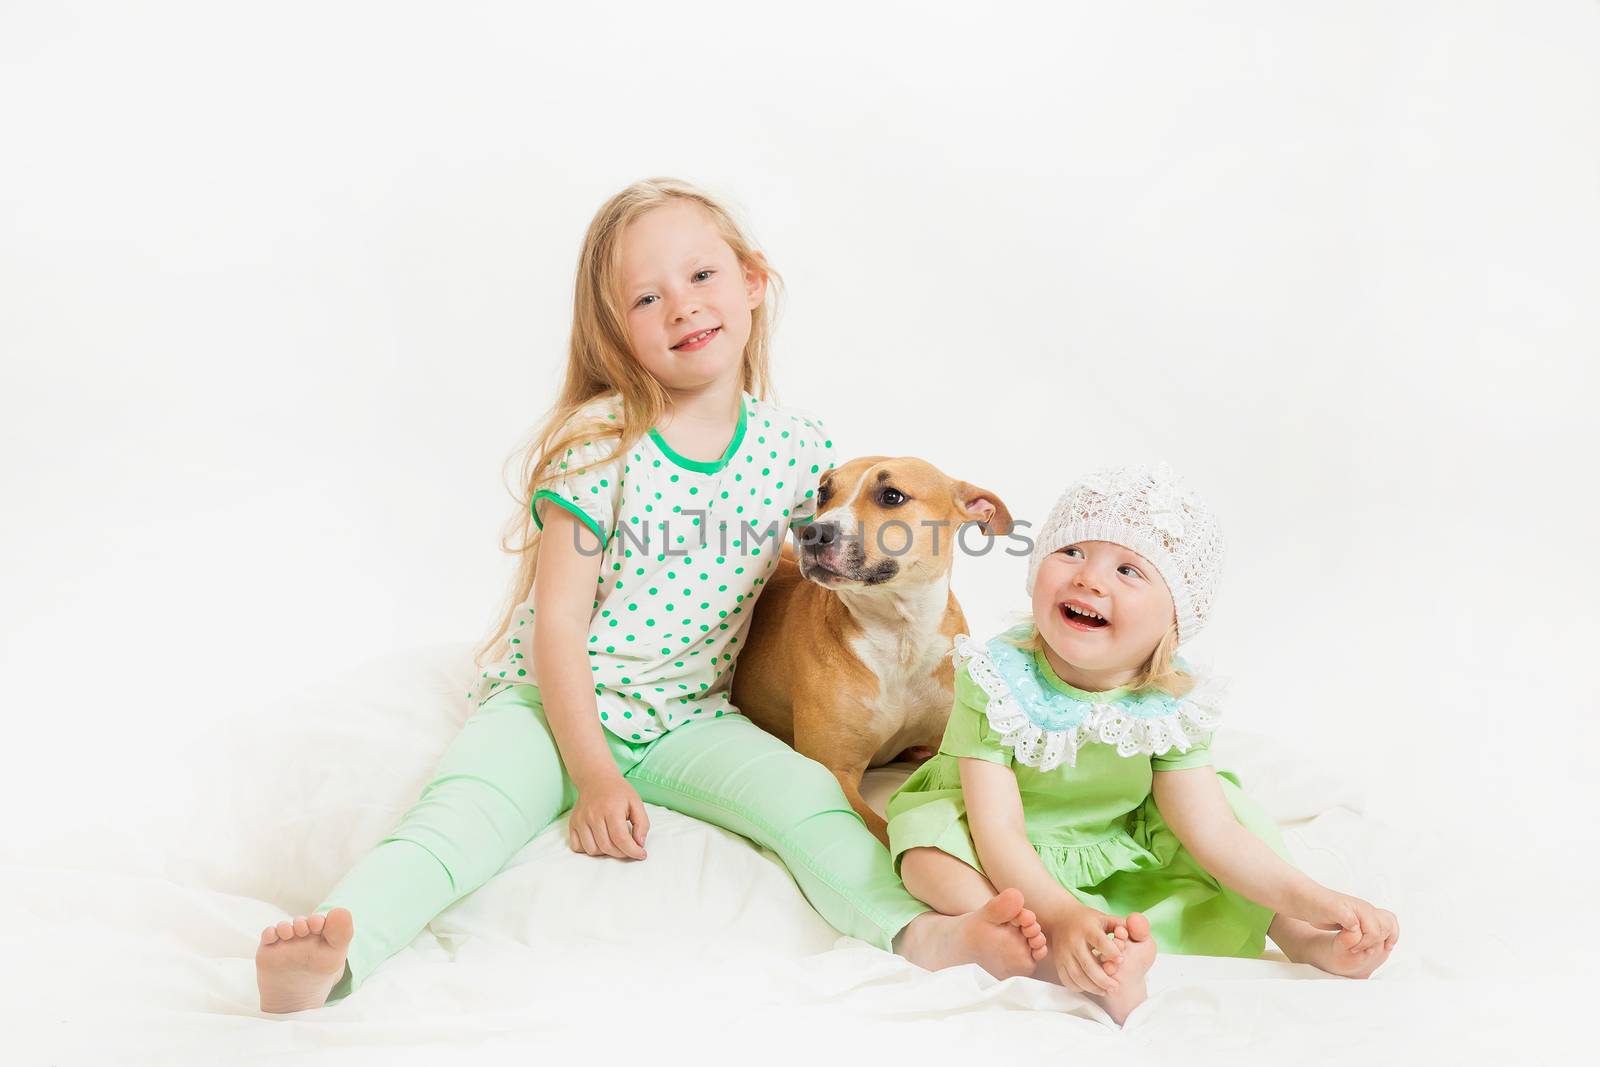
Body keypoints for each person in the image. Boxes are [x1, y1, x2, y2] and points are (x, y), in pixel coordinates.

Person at [254, 177, 1046, 1013]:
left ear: (751, 281)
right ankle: (334, 947)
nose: (682, 307)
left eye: (702, 276)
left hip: (691, 715)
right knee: (461, 816)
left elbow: (825, 565)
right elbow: (557, 622)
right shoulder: (599, 440)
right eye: (646, 295)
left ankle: (929, 935)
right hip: (552, 703)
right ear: (616, 330)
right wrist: (594, 774)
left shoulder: (797, 448)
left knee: (813, 804)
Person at [886, 463, 1400, 1025]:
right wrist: (1063, 914)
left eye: (1128, 569)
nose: (1088, 578)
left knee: (1236, 821)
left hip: (1113, 838)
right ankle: (1026, 939)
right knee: (927, 852)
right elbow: (997, 830)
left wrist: (1318, 898)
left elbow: (1210, 832)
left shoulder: (1170, 703)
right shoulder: (996, 678)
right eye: (1072, 552)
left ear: (1174, 619)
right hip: (998, 839)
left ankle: (1304, 935)